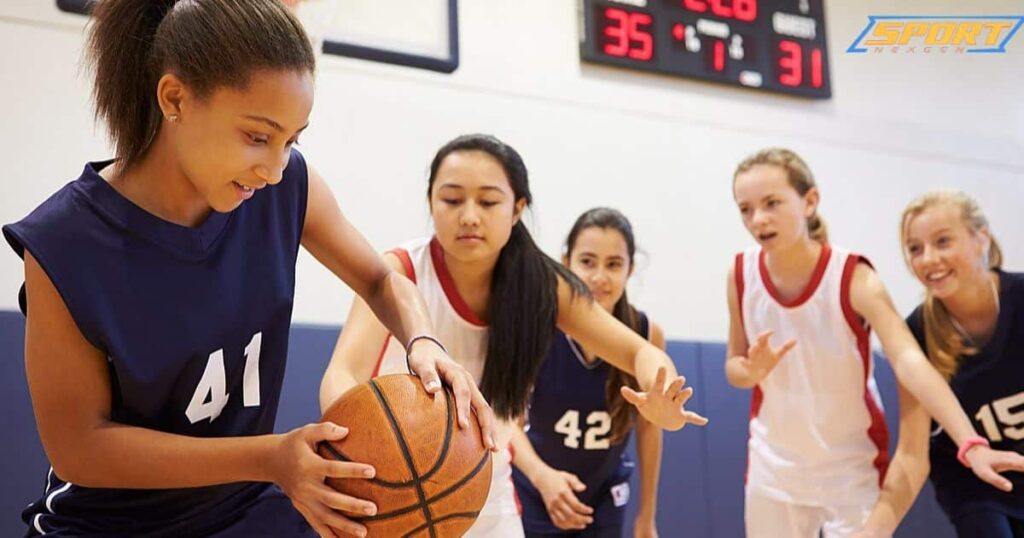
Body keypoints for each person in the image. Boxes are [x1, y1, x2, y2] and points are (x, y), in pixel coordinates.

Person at [2, 1, 492, 536]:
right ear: (175, 99)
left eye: (292, 139)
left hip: (243, 509)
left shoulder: (286, 189)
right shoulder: (64, 241)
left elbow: (381, 279)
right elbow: (80, 448)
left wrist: (424, 342)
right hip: (109, 524)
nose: (276, 167)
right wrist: (269, 457)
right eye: (258, 137)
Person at [320, 134, 708, 537]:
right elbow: (341, 375)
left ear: (517, 208)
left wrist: (660, 391)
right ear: (431, 202)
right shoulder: (399, 271)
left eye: (488, 202)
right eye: (452, 200)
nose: (470, 216)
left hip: (487, 493)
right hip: (392, 485)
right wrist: (363, 447)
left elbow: (640, 351)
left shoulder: (543, 285)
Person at [726, 149, 1021, 537]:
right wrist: (748, 371)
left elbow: (910, 363)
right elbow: (735, 365)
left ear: (809, 201)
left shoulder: (852, 275)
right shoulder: (740, 273)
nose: (758, 219)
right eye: (745, 209)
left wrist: (969, 441)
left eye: (771, 203)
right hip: (774, 470)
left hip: (850, 471)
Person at [856, 190, 1024, 538]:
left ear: (982, 238)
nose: (928, 258)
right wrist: (873, 532)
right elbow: (912, 452)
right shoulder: (915, 334)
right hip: (974, 483)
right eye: (915, 248)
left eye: (943, 241)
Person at [510, 207, 664, 538]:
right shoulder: (537, 326)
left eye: (614, 264)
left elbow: (650, 429)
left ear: (630, 269)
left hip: (604, 491)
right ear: (566, 263)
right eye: (588, 261)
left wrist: (647, 515)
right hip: (538, 484)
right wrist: (540, 475)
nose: (599, 276)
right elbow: (504, 417)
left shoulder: (645, 332)